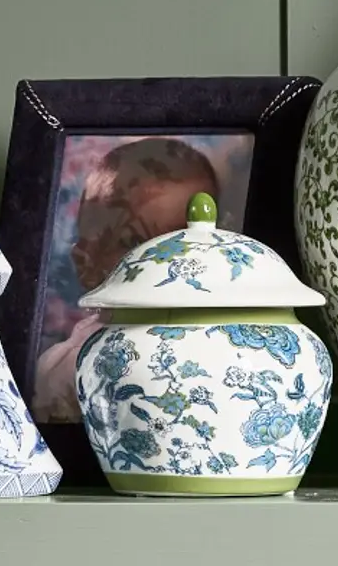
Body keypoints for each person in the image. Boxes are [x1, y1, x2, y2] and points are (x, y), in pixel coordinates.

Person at [31, 137, 219, 423]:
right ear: (87, 265)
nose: (169, 261)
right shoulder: (75, 364)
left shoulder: (223, 343)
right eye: (137, 243)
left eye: (187, 241)